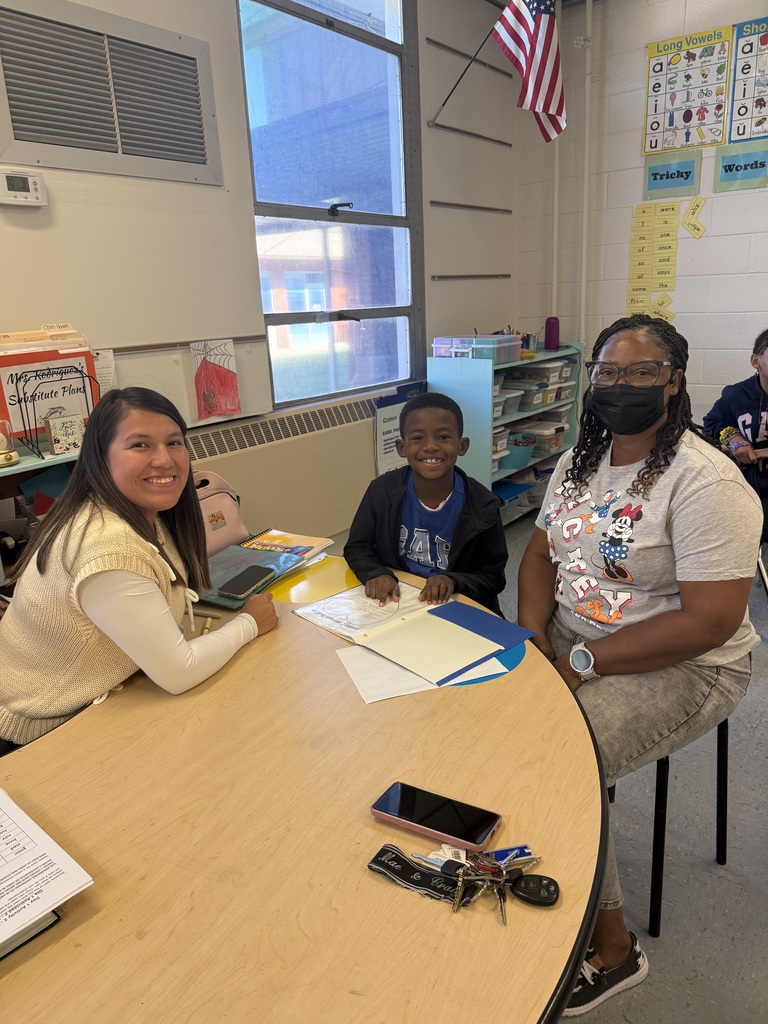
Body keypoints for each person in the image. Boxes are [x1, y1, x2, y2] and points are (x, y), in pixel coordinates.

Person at [517, 314, 761, 1017]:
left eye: (640, 372)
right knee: (488, 725)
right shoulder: (578, 461)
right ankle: (565, 840)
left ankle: (616, 948)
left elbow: (709, 621)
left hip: (687, 663)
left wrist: (583, 660)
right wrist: (534, 636)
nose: (620, 384)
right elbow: (536, 557)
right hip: (571, 641)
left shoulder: (705, 482)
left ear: (674, 381)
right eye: (608, 372)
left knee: (561, 758)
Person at [0, 387, 278, 755]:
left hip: (93, 697)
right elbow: (179, 673)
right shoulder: (108, 546)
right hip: (43, 731)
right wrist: (250, 623)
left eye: (174, 443)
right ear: (101, 458)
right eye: (140, 445)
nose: (164, 460)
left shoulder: (132, 512)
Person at [344, 392, 507, 613]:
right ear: (402, 447)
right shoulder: (381, 491)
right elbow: (357, 547)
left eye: (443, 437)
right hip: (398, 601)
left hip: (456, 605)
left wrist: (453, 581)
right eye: (418, 438)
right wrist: (376, 573)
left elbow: (492, 577)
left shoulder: (483, 506)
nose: (431, 447)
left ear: (462, 445)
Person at [703, 326, 768, 540]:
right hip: (749, 491)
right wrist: (735, 440)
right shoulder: (737, 394)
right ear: (755, 361)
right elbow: (712, 422)